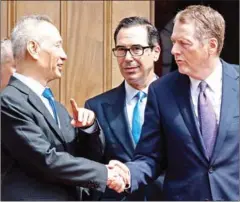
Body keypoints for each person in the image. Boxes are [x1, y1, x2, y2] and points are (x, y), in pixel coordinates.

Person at [108, 5, 239, 201]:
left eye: (184, 43)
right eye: (173, 42)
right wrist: (128, 173)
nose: (174, 50)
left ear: (211, 46)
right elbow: (150, 157)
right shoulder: (162, 91)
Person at [1, 15, 125, 201]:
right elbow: (45, 160)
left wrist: (88, 129)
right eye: (57, 45)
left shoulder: (56, 107)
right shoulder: (10, 101)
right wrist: (105, 174)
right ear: (33, 49)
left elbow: (81, 155)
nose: (64, 55)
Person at [84, 16, 164, 201]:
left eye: (136, 49)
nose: (128, 58)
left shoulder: (178, 101)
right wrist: (88, 130)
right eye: (121, 50)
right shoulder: (97, 106)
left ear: (156, 52)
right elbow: (91, 162)